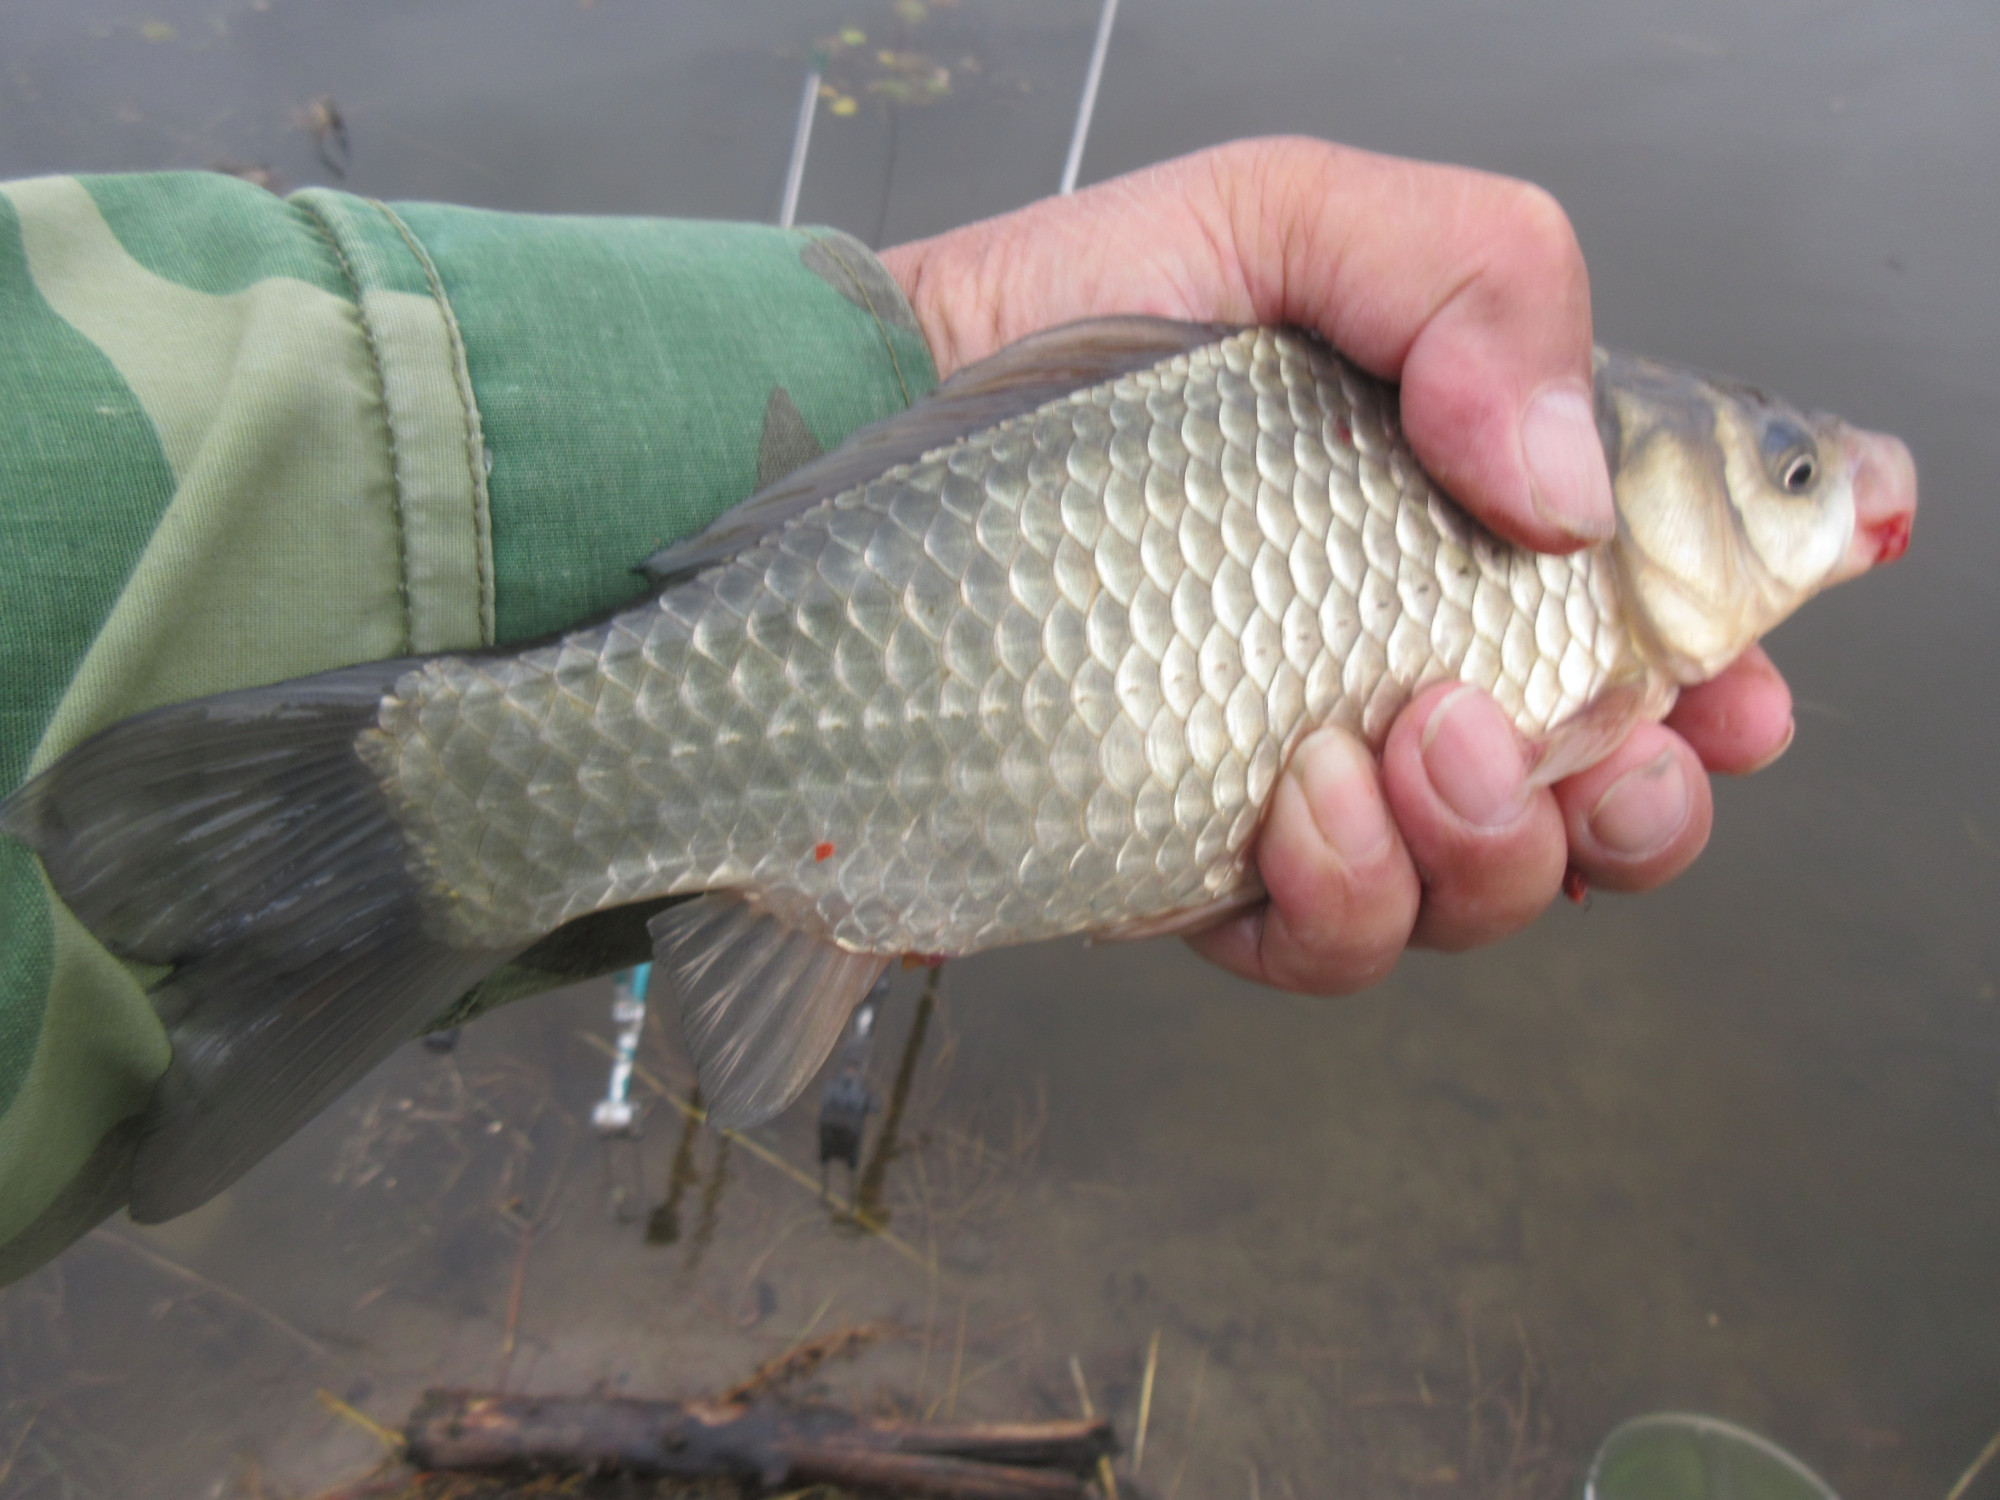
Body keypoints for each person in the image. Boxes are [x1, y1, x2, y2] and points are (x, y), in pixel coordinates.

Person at [0, 136, 1791, 1280]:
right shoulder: (1584, 580)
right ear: (1640, 476)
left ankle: (510, 827)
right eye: (1791, 478)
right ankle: (469, 821)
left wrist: (917, 338)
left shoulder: (1611, 643)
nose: (1837, 507)